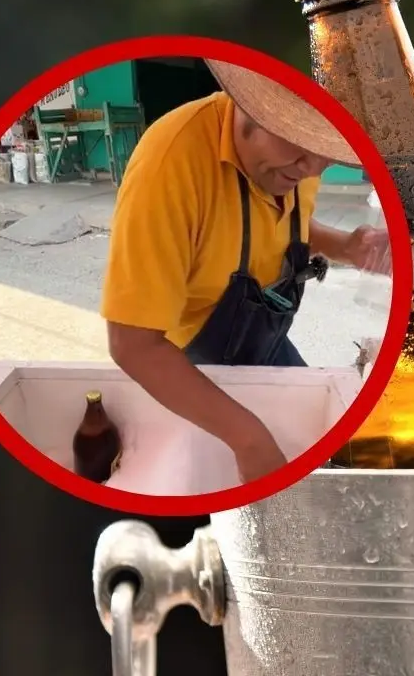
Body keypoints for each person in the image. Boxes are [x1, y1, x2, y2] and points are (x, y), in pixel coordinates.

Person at [100, 59, 391, 484]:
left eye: (327, 156)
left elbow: (282, 219)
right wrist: (249, 440)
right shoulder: (170, 162)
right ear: (250, 105)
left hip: (264, 341)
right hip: (186, 364)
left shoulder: (290, 161)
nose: (310, 170)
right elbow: (133, 345)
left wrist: (347, 246)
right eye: (302, 149)